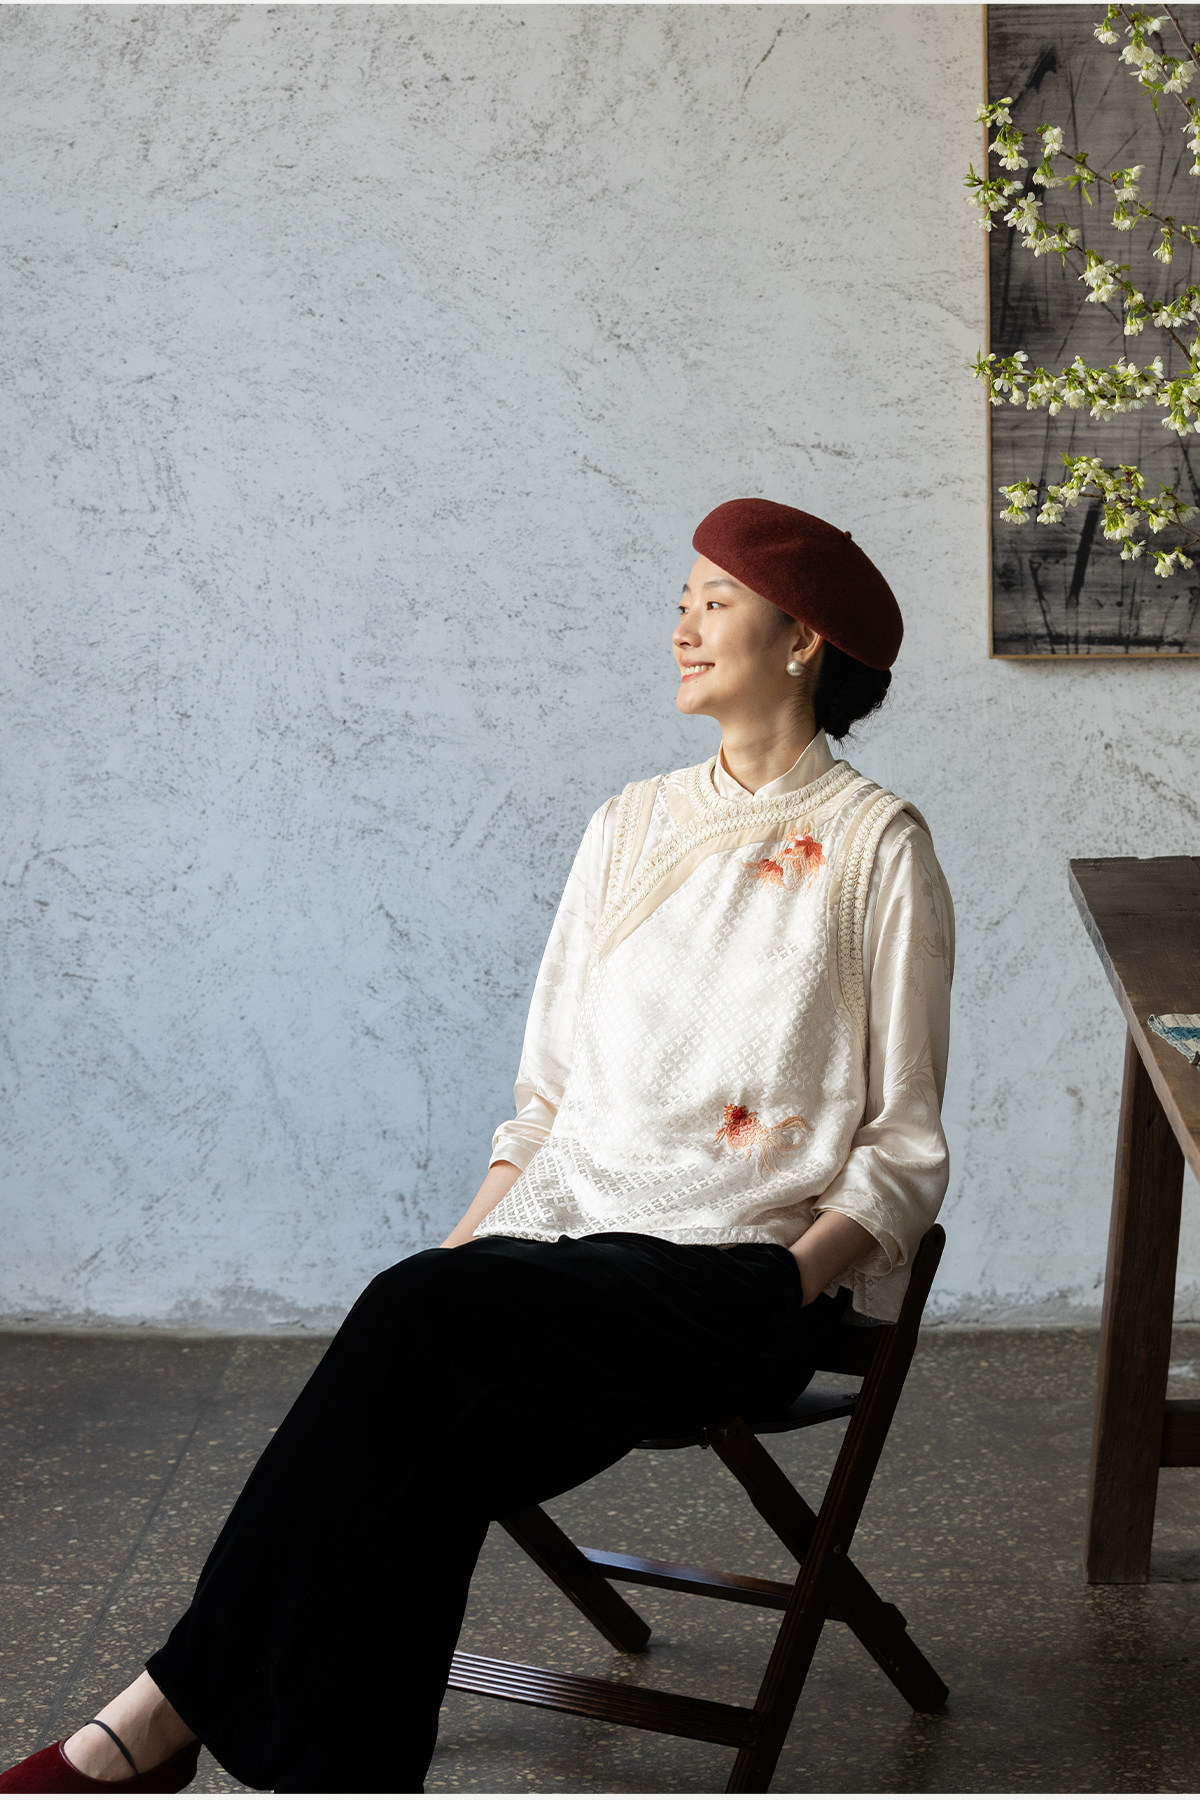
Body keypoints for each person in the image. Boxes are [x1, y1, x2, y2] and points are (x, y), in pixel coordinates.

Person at [0, 497, 954, 1795]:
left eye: (715, 602)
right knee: (417, 1430)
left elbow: (903, 1147)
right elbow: (547, 1101)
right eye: (682, 600)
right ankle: (298, 1766)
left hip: (732, 1279)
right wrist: (465, 1253)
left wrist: (788, 1281)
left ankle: (147, 1729)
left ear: (803, 643)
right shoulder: (627, 826)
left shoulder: (879, 848)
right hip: (557, 1263)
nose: (682, 626)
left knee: (414, 1356)